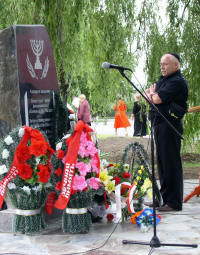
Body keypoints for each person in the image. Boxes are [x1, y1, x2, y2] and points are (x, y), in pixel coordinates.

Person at [145, 53, 188, 212]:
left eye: (166, 64)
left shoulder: (177, 81)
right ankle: (163, 198)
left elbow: (156, 99)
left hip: (170, 126)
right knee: (162, 163)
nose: (162, 66)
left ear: (176, 65)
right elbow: (147, 95)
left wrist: (152, 95)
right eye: (161, 63)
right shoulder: (164, 80)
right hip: (159, 124)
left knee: (171, 163)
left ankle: (174, 202)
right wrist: (151, 95)